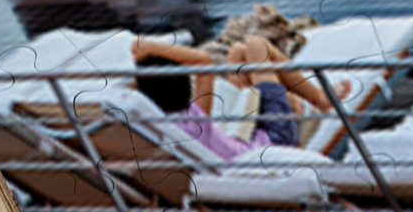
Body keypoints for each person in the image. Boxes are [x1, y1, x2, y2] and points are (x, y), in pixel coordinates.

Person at [132, 35, 350, 161]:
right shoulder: (194, 117)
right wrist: (147, 47)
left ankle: (290, 99)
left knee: (238, 52)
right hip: (275, 139)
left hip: (242, 135)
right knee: (257, 46)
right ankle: (322, 100)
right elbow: (203, 60)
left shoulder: (171, 125)